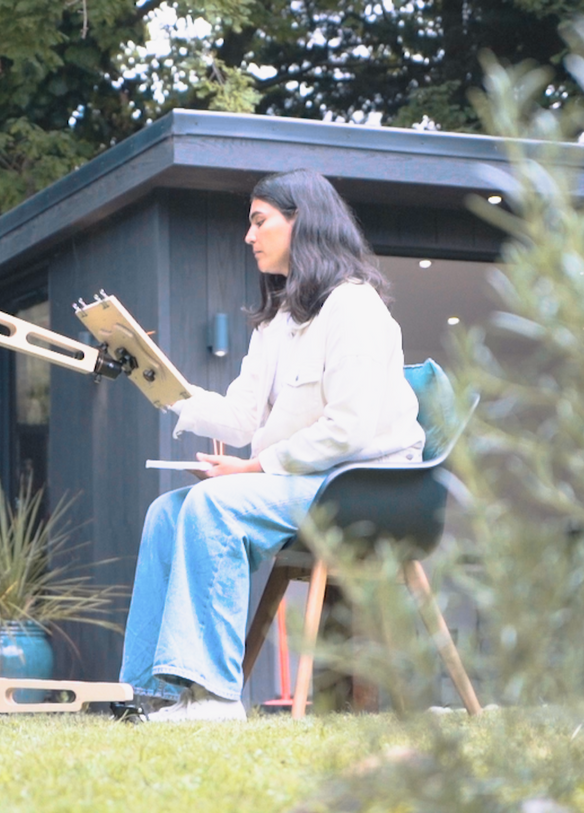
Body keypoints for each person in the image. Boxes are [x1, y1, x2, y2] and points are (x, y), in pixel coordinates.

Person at [119, 168, 425, 722]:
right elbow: (240, 415)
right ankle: (152, 694)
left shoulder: (355, 308)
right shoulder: (279, 321)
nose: (248, 236)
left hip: (364, 486)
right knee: (167, 512)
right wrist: (154, 380)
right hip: (304, 480)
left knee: (215, 504)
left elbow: (349, 428)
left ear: (301, 223)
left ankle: (212, 697)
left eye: (259, 222)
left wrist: (255, 468)